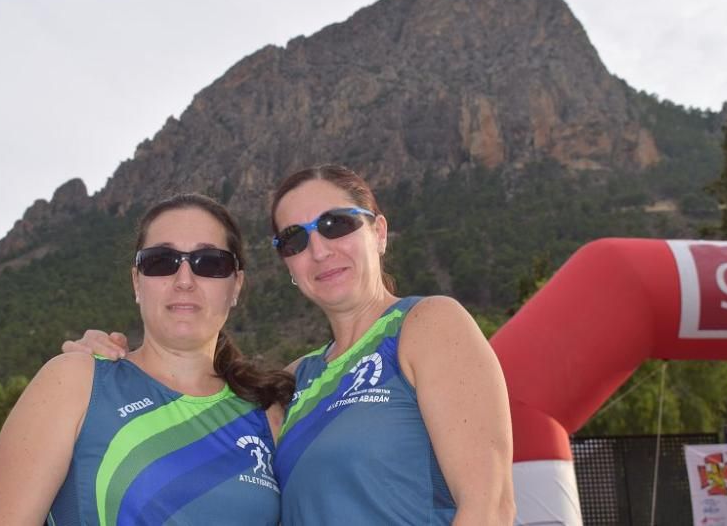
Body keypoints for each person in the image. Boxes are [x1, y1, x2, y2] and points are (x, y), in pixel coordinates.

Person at [71, 165, 516, 524]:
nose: (319, 250)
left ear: (379, 233)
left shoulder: (427, 324)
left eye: (336, 224)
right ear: (288, 264)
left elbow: (489, 507)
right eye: (295, 239)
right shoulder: (291, 382)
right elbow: (195, 396)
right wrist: (113, 364)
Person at [0, 194, 292, 525]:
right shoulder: (75, 383)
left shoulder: (268, 417)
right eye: (161, 261)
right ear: (136, 282)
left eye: (210, 262)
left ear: (236, 285)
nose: (184, 280)